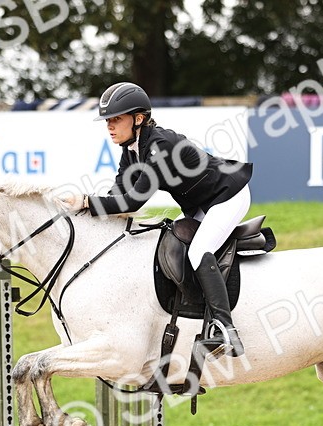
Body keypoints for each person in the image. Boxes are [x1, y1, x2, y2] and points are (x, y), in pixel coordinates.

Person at [61, 82, 253, 358]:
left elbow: (134, 201)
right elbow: (118, 193)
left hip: (227, 195)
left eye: (116, 119)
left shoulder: (158, 147)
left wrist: (88, 202)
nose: (110, 126)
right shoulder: (132, 150)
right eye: (107, 120)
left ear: (138, 119)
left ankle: (226, 330)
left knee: (199, 250)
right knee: (178, 244)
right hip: (201, 202)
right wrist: (85, 215)